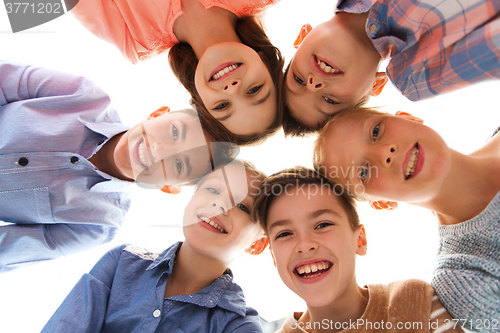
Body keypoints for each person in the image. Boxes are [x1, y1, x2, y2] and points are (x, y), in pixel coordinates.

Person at [0, 61, 236, 272]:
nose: (159, 151)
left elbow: (8, 250)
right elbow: (5, 79)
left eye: (179, 165)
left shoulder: (99, 225)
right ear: (158, 114)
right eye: (175, 131)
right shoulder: (84, 94)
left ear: (168, 187)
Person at [312, 108, 500, 331]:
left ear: (406, 115)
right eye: (363, 172)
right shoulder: (464, 279)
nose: (385, 152)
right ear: (382, 202)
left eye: (375, 132)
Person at [41, 159, 269, 333]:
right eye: (213, 189)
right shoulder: (122, 260)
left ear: (257, 244)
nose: (220, 204)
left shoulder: (238, 325)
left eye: (242, 207)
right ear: (190, 200)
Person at [251, 166, 463, 333]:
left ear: (360, 240)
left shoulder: (412, 302)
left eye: (323, 225)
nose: (304, 244)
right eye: (284, 234)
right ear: (273, 257)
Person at [71, 0, 285, 145]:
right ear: (267, 62)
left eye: (222, 105)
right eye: (254, 90)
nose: (232, 89)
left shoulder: (133, 38)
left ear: (200, 99)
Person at [282, 0, 500, 136]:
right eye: (329, 100)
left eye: (298, 80)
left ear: (302, 37)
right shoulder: (419, 74)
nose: (313, 85)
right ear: (377, 84)